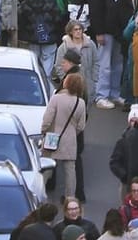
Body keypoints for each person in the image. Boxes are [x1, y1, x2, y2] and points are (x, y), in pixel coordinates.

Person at [43, 72, 90, 202]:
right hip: (70, 139)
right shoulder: (80, 103)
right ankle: (70, 197)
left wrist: (44, 130)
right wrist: (72, 133)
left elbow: (48, 119)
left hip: (52, 136)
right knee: (70, 170)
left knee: (47, 166)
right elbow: (81, 126)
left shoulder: (56, 98)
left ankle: (40, 191)